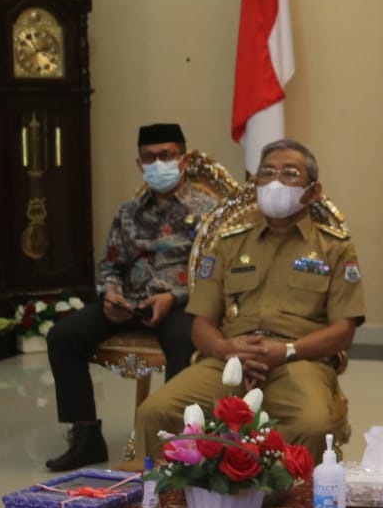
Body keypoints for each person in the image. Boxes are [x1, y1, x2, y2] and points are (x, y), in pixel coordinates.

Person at [135, 139, 363, 461]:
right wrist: (226, 349)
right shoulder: (228, 244)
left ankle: (288, 494)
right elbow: (201, 325)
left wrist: (286, 351)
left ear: (313, 191)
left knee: (311, 425)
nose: (275, 182)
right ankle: (165, 492)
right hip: (230, 359)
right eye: (266, 173)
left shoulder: (335, 249)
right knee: (155, 411)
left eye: (289, 174)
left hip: (299, 361)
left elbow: (343, 332)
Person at [44, 123, 218, 471]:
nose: (158, 163)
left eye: (166, 155)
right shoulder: (128, 212)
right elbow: (110, 264)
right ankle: (86, 435)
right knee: (63, 336)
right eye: (149, 158)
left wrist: (173, 296)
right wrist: (111, 294)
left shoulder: (209, 210)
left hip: (181, 303)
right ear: (139, 164)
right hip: (130, 302)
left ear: (183, 160)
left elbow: (213, 271)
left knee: (185, 341)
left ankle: (175, 440)